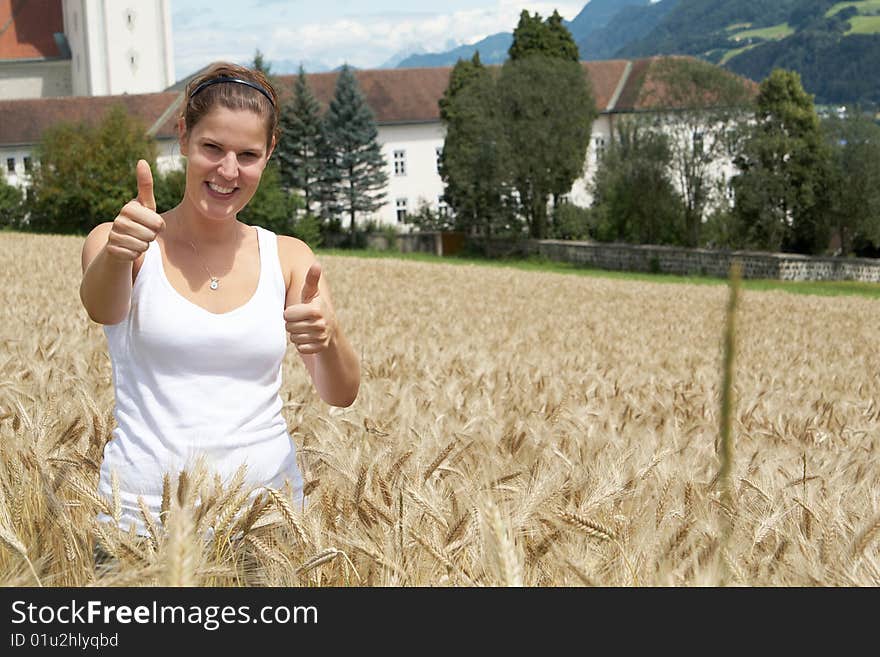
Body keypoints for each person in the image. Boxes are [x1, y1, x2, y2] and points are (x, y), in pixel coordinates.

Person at [79, 62, 360, 539]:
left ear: (269, 152)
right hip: (139, 524)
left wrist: (328, 338)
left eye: (248, 154)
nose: (228, 171)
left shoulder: (290, 257)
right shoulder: (121, 242)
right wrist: (118, 253)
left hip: (267, 525)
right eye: (213, 147)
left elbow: (340, 393)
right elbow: (102, 308)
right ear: (184, 136)